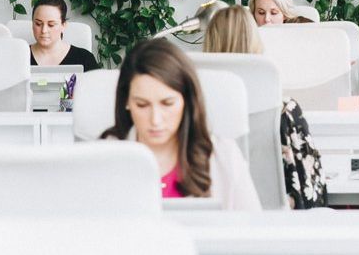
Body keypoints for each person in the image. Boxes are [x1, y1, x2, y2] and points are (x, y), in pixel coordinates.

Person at [101, 38, 261, 210]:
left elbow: (252, 230)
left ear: (186, 100)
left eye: (167, 103)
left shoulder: (223, 155)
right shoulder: (106, 155)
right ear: (126, 102)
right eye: (142, 105)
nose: (155, 120)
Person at [203, 5, 327, 209]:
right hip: (277, 226)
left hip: (216, 221)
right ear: (256, 41)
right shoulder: (285, 110)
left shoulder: (193, 108)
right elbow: (312, 190)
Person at [29, 0, 99, 71]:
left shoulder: (85, 58)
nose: (44, 30)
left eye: (51, 25)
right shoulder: (19, 56)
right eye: (38, 24)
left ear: (63, 25)